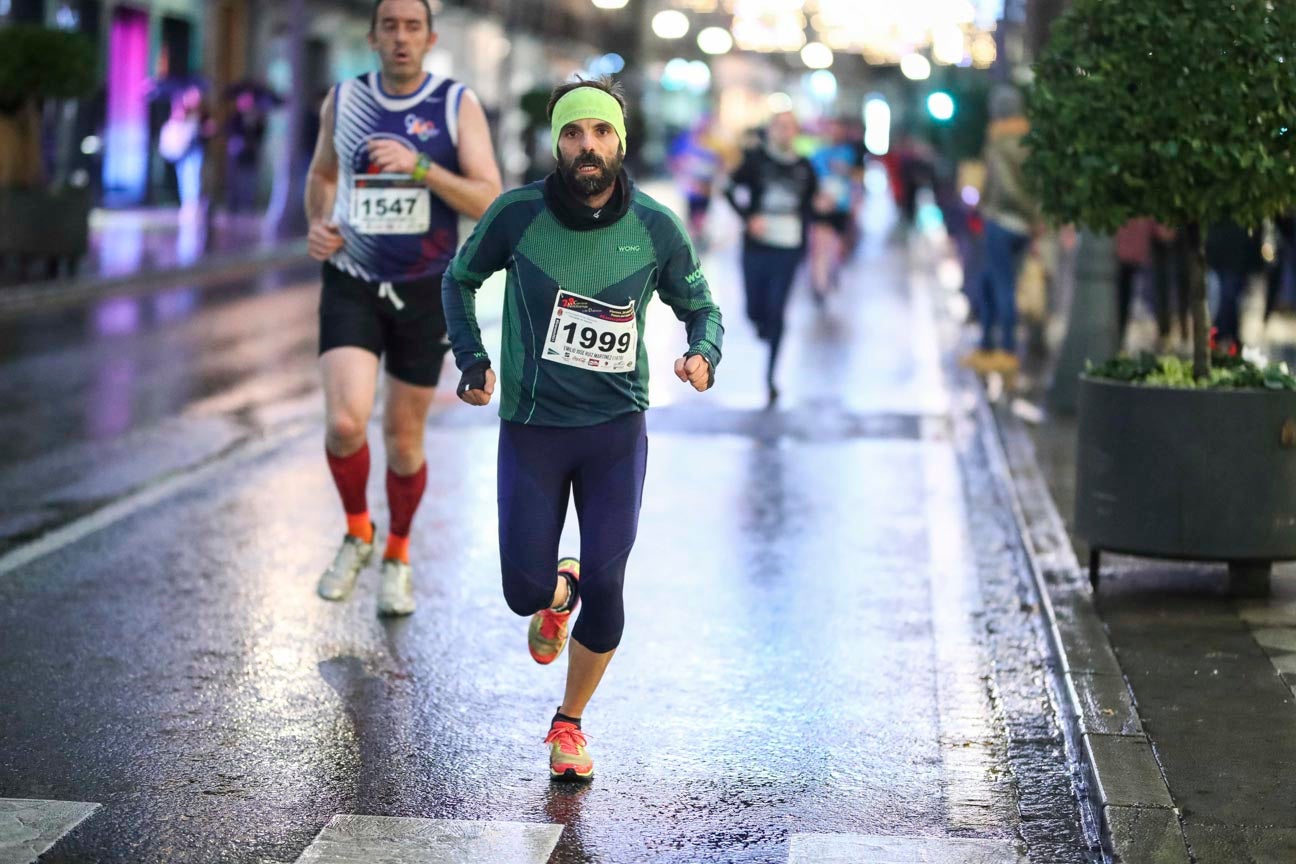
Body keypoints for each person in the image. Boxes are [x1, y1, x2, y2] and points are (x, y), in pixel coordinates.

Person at [441, 76, 723, 780]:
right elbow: (458, 279)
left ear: (619, 143)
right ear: (557, 144)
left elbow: (702, 307)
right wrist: (472, 359)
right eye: (573, 133)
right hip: (534, 428)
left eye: (600, 132)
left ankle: (569, 724)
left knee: (609, 581)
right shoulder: (517, 215)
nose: (587, 146)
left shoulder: (655, 226)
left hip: (615, 431)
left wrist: (703, 354)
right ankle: (554, 591)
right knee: (521, 593)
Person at [304, 0, 502, 616]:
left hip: (426, 287)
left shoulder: (454, 104)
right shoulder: (343, 100)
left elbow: (489, 197)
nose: (400, 38)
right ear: (372, 36)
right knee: (344, 423)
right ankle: (358, 530)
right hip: (353, 279)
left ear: (429, 38)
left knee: (404, 439)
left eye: (411, 27)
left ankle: (397, 554)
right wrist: (318, 221)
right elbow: (322, 176)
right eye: (389, 26)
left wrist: (420, 166)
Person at [723, 111, 817, 405]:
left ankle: (771, 377)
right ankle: (762, 326)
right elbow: (727, 188)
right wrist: (747, 218)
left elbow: (811, 204)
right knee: (754, 310)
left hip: (788, 247)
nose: (784, 132)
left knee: (778, 311)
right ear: (771, 130)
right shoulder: (755, 160)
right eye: (779, 127)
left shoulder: (804, 167)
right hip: (757, 246)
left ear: (796, 132)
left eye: (790, 127)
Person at [963, 85, 1037, 374]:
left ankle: (1005, 351)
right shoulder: (1029, 140)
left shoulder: (997, 142)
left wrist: (981, 202)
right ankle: (987, 345)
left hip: (1001, 220)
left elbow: (997, 185)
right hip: (1024, 225)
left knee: (1001, 286)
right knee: (994, 282)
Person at [807, 119, 861, 303]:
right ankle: (819, 284)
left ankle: (831, 272)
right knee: (820, 245)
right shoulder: (817, 154)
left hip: (841, 206)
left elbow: (855, 179)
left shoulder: (849, 153)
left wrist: (855, 202)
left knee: (836, 245)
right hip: (823, 206)